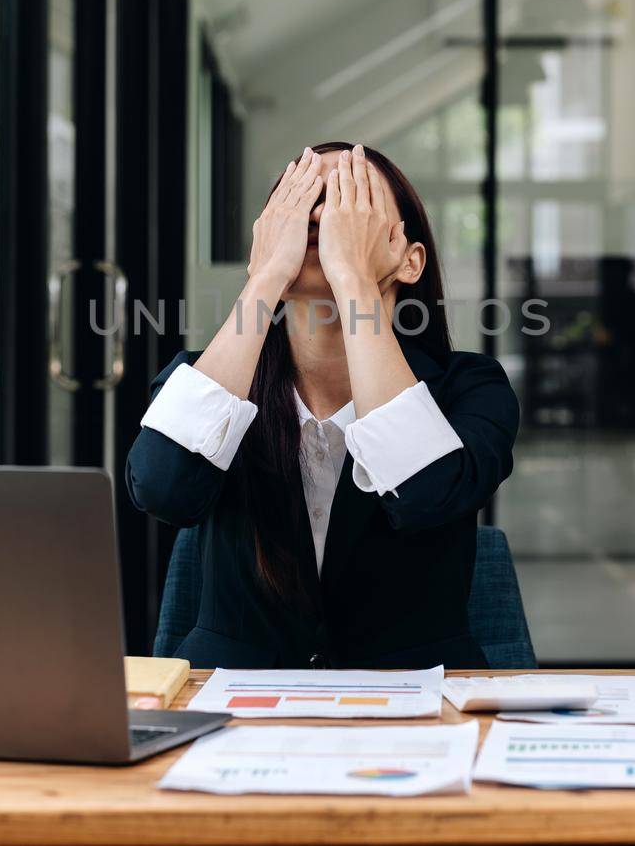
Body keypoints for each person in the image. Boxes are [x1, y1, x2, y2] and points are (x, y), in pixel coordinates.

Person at [126, 141, 519, 670]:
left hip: (418, 710)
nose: (322, 216)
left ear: (410, 260)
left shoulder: (470, 388)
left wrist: (354, 280)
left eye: (350, 200)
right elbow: (162, 489)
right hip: (233, 711)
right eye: (303, 199)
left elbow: (424, 494)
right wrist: (264, 279)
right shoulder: (209, 378)